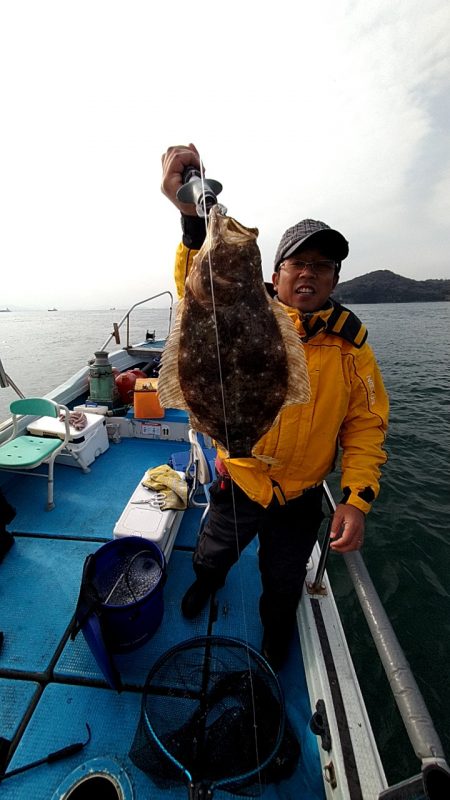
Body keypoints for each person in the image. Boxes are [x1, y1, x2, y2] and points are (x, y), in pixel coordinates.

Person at [161, 144, 389, 670]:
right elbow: (199, 285)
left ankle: (275, 632)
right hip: (238, 477)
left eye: (322, 266)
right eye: (297, 263)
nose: (308, 274)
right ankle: (204, 585)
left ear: (333, 279)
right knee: (214, 552)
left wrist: (355, 499)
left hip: (301, 494)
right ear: (277, 272)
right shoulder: (242, 301)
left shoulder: (352, 348)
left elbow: (366, 428)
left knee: (283, 579)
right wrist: (192, 222)